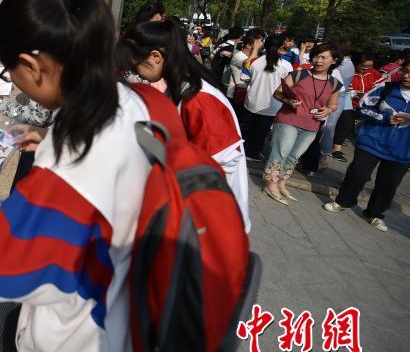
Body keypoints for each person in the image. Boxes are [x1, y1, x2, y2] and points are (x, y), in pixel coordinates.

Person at [0, 0, 150, 352]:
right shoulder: (128, 101)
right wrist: (47, 137)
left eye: (9, 71)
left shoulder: (67, 171)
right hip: (125, 314)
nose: (12, 80)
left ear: (33, 65)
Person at [118, 17, 251, 232]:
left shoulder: (198, 99)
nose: (135, 72)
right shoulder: (182, 87)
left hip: (213, 219)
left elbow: (224, 163)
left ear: (155, 56)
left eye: (135, 65)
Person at [323, 60, 410, 232]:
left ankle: (374, 213)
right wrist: (385, 118)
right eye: (405, 71)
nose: (406, 76)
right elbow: (362, 108)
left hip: (402, 151)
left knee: (388, 184)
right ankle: (343, 201)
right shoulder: (385, 89)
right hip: (372, 142)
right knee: (357, 173)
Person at [263, 44, 342, 204]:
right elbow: (277, 93)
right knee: (281, 152)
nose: (318, 60)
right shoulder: (298, 74)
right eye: (316, 56)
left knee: (294, 156)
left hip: (312, 125)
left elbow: (333, 104)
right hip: (289, 119)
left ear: (334, 61)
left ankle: (282, 183)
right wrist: (288, 101)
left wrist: (328, 110)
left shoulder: (334, 84)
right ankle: (270, 184)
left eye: (323, 57)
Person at [242, 34, 293, 160]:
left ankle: (242, 150)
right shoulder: (286, 65)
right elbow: (289, 87)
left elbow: (244, 78)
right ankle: (252, 154)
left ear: (264, 45)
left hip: (252, 101)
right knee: (261, 131)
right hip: (272, 105)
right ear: (281, 46)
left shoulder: (253, 61)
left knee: (247, 128)